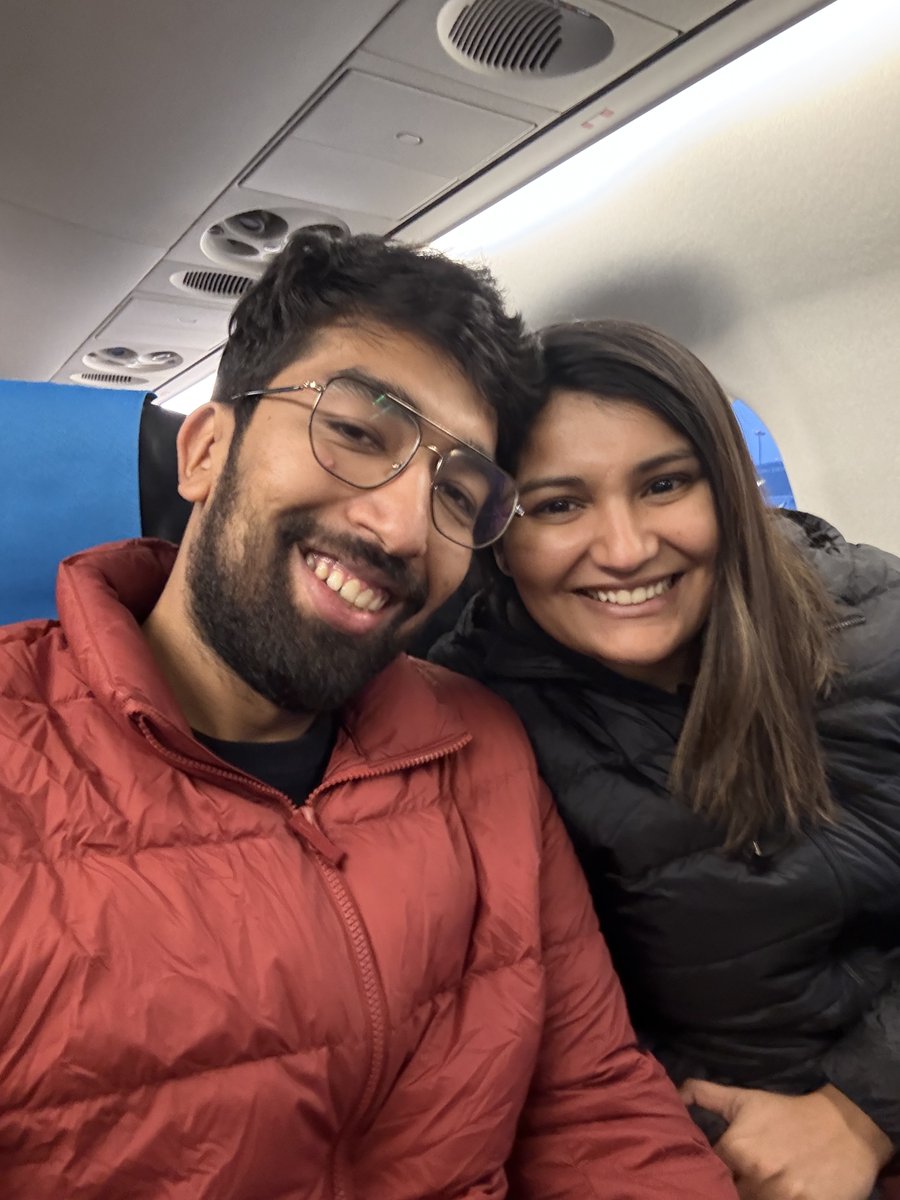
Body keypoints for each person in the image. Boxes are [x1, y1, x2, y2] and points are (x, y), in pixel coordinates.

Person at [0, 238, 735, 1199]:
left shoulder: (481, 747)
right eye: (352, 432)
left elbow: (591, 1106)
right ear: (205, 451)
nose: (401, 528)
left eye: (457, 492)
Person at [432, 318, 900, 1200]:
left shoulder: (876, 620)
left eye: (664, 484)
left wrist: (863, 1112)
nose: (626, 549)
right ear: (497, 533)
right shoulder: (469, 723)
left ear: (728, 486)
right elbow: (542, 1028)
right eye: (558, 505)